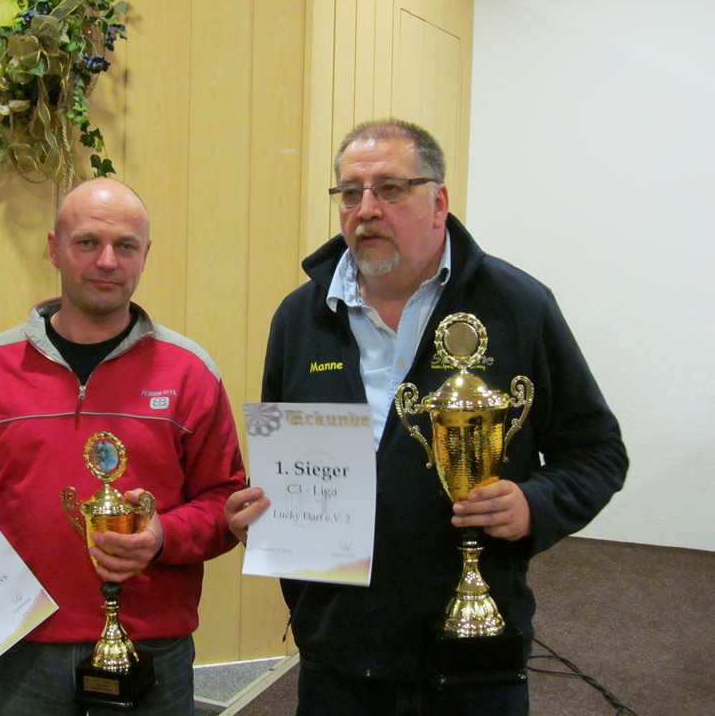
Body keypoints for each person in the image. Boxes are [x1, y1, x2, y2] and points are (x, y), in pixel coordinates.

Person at [225, 119, 628, 716]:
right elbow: (290, 468)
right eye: (350, 192)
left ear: (438, 203)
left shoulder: (517, 306)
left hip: (472, 652)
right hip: (338, 655)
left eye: (390, 189)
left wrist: (534, 505)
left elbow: (597, 453)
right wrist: (262, 515)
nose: (366, 209)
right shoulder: (300, 318)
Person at [0, 177, 246, 715]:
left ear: (146, 254)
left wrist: (162, 536)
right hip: (21, 654)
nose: (107, 261)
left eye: (125, 246)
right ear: (54, 249)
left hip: (152, 651)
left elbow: (225, 505)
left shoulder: (190, 373)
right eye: (87, 242)